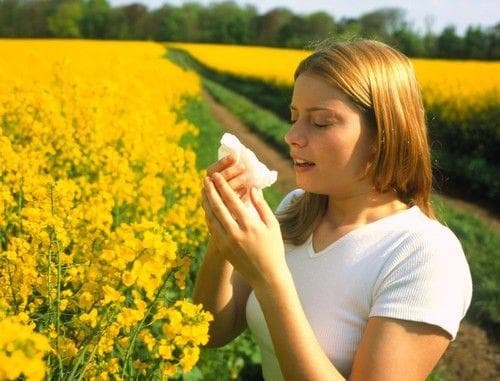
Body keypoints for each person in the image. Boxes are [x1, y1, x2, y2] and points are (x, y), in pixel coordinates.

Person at [194, 39, 473, 380]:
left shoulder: (425, 256)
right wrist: (225, 231)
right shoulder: (296, 210)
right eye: (294, 116)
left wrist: (270, 278)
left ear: (383, 134)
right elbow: (210, 332)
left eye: (321, 122)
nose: (291, 136)